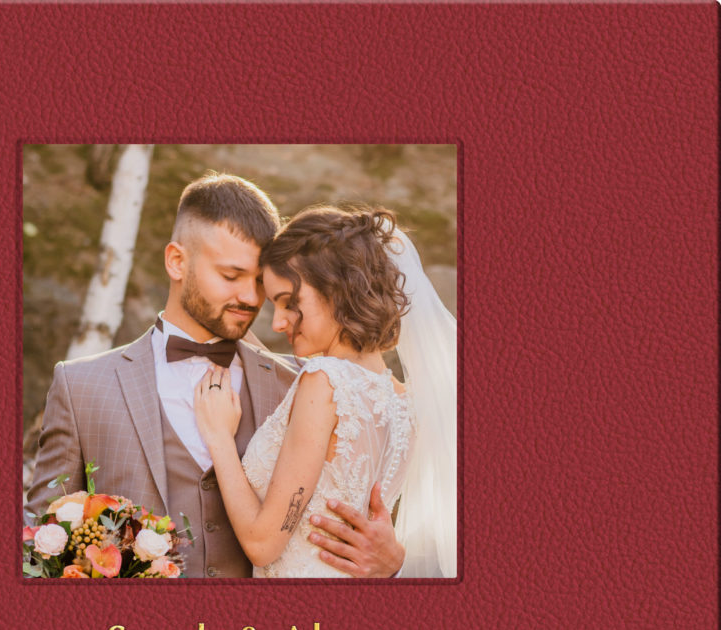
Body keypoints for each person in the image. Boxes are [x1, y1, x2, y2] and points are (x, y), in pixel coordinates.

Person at [24, 173, 406, 578]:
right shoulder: (81, 386)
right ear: (177, 261)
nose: (250, 298)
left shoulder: (305, 381)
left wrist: (392, 561)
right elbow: (39, 541)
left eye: (260, 282)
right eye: (230, 276)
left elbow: (364, 512)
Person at [193, 205, 457, 577]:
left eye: (289, 303)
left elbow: (261, 544)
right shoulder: (404, 402)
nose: (279, 321)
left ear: (337, 292)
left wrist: (219, 438)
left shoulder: (324, 380)